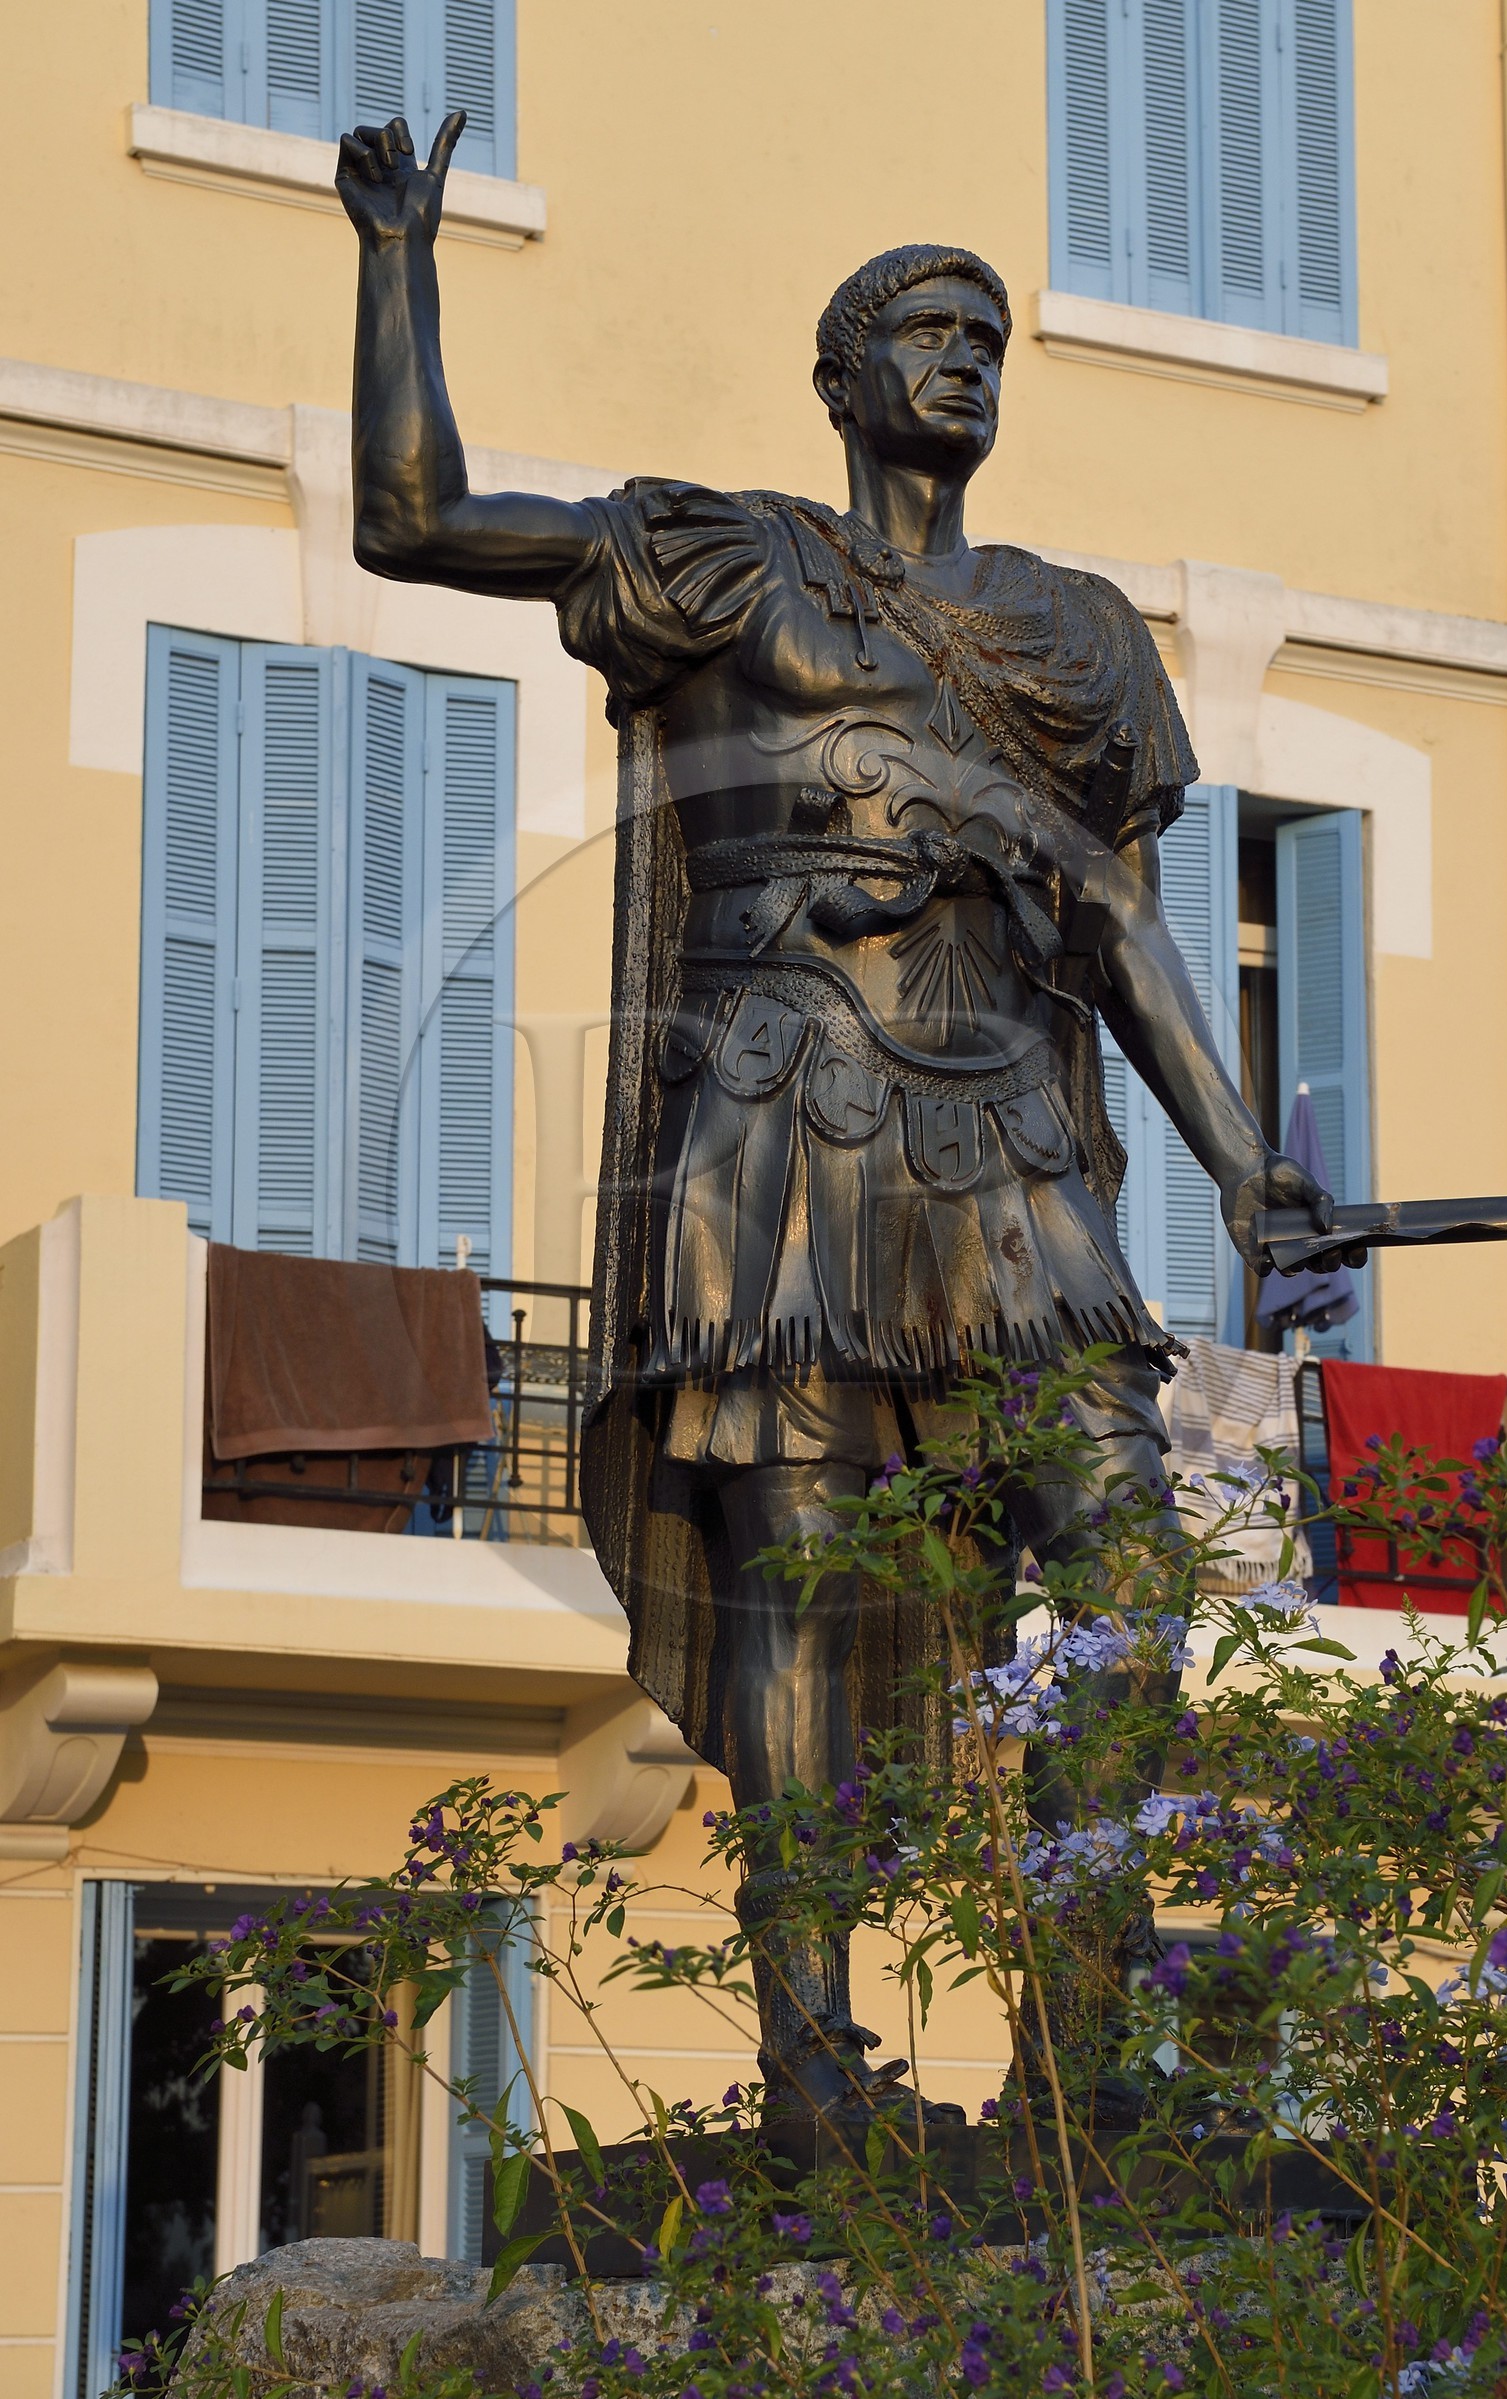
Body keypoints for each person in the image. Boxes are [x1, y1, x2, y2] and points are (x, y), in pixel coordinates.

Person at [337, 112, 1334, 2122]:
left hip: (1000, 1151)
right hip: (780, 1121)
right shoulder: (723, 557)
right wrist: (396, 259)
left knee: (1121, 1568)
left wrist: (1240, 1166)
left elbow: (1122, 918)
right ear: (843, 375)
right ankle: (809, 2057)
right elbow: (413, 520)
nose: (963, 356)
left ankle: (1079, 2049)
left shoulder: (1070, 636)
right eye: (924, 327)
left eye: (987, 332)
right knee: (799, 1576)